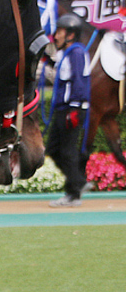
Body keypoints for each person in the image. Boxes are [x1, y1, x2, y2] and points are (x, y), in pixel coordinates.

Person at [46, 14, 92, 208]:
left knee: (67, 151)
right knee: (53, 150)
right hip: (62, 109)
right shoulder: (67, 52)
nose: (56, 36)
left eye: (60, 32)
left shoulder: (76, 53)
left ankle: (75, 190)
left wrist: (74, 107)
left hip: (71, 110)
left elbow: (80, 83)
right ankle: (77, 185)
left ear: (71, 34)